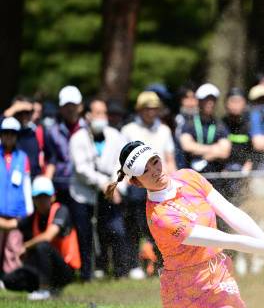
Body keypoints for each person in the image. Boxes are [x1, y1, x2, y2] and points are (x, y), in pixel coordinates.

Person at [104, 141, 264, 308]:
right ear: (136, 183)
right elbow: (226, 239)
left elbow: (231, 213)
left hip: (216, 278)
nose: (155, 171)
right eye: (146, 171)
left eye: (155, 162)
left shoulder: (188, 176)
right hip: (180, 289)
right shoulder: (160, 217)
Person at [69, 99, 128, 280]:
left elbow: (122, 163)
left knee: (115, 230)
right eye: (97, 113)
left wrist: (116, 186)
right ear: (87, 116)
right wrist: (104, 183)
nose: (101, 117)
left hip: (110, 193)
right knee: (85, 235)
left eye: (104, 113)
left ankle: (120, 271)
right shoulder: (78, 138)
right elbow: (81, 169)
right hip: (83, 194)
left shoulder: (115, 136)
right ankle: (87, 274)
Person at [122, 91, 177, 278]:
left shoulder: (164, 130)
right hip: (138, 187)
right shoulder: (129, 130)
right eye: (147, 108)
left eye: (154, 108)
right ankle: (135, 265)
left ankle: (163, 264)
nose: (151, 112)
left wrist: (173, 180)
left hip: (161, 185)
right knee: (135, 228)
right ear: (140, 110)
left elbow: (170, 159)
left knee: (162, 228)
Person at [0, 176, 80, 300]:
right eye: (38, 197)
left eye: (45, 196)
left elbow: (48, 237)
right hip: (44, 269)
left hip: (65, 270)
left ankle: (44, 290)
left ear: (52, 197)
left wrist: (26, 246)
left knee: (43, 246)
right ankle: (43, 289)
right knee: (9, 280)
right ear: (33, 199)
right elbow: (9, 225)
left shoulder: (61, 211)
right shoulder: (33, 217)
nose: (42, 201)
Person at [0, 117, 33, 277]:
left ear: (17, 136)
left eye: (12, 134)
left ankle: (11, 279)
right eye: (5, 133)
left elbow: (26, 183)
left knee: (13, 247)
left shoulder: (22, 157)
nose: (8, 136)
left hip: (16, 212)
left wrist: (28, 208)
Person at [44, 85, 87, 204]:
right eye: (66, 105)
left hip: (85, 188)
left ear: (80, 107)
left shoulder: (88, 130)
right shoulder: (51, 132)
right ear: (60, 108)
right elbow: (51, 160)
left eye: (73, 105)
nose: (70, 109)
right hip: (60, 189)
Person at [179, 83, 231, 182]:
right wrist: (214, 149)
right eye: (206, 99)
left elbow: (225, 152)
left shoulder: (220, 125)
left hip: (214, 177)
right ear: (199, 101)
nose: (210, 103)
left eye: (213, 99)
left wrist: (198, 150)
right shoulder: (189, 123)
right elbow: (187, 146)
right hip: (191, 177)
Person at [3, 96, 44, 177]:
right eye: (20, 113)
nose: (24, 116)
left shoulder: (34, 133)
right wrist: (15, 108)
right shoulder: (7, 134)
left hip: (32, 179)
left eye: (27, 112)